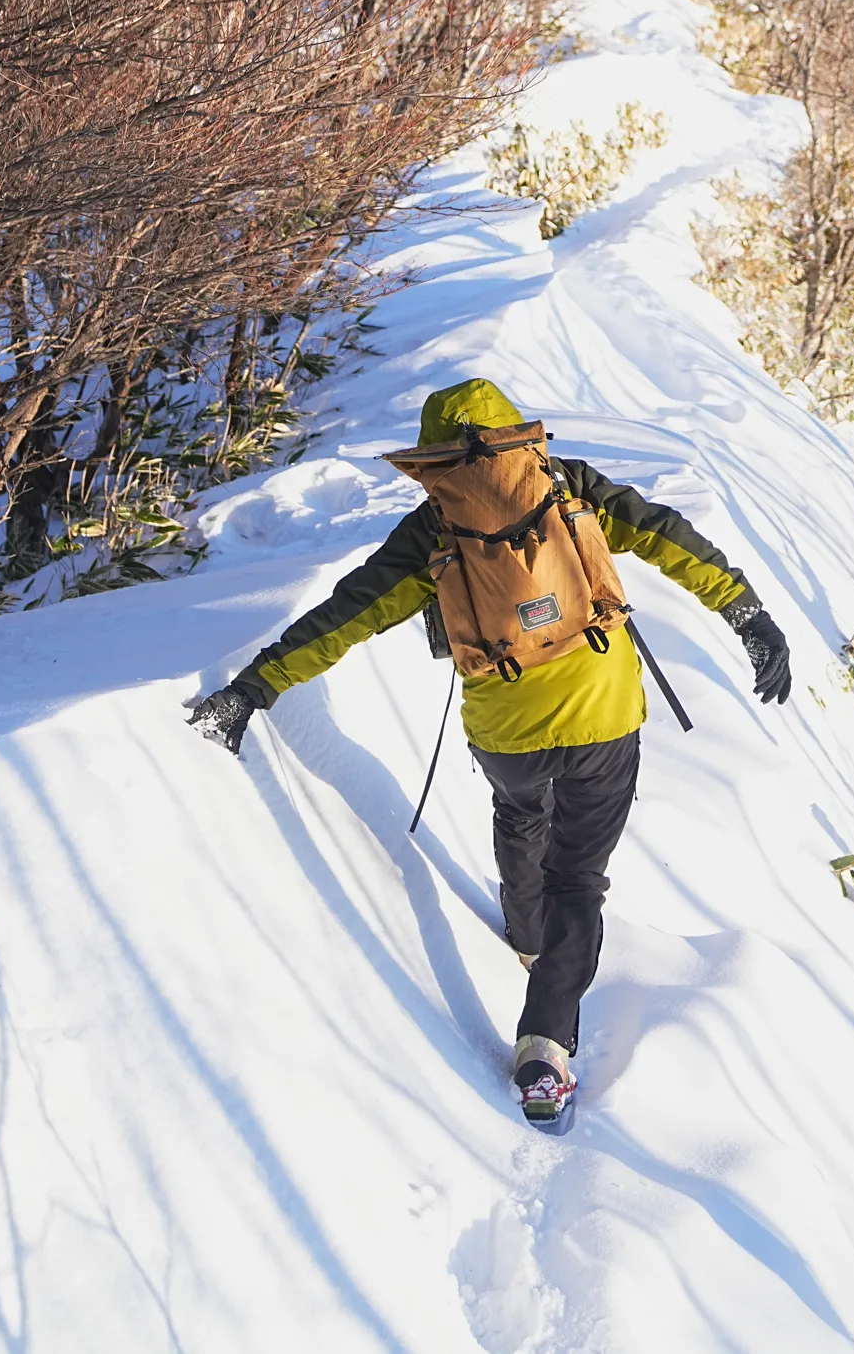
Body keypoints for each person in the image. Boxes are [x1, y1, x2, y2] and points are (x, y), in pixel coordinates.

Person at [187, 377, 791, 1127]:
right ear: (513, 433)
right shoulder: (569, 487)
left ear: (434, 455)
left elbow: (347, 615)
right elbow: (669, 536)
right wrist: (750, 614)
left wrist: (253, 688)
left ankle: (524, 932)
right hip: (604, 713)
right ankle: (545, 1043)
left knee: (520, 810)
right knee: (579, 878)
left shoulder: (434, 528)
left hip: (507, 727)